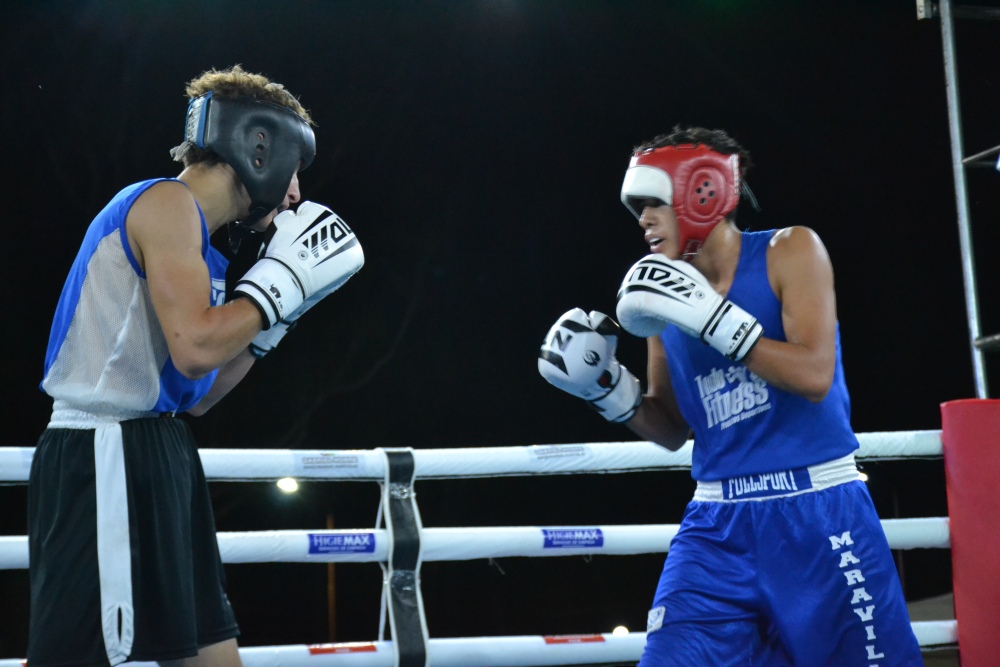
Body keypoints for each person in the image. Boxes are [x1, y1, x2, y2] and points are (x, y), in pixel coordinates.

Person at [538, 126, 923, 665]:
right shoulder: (657, 297)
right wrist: (607, 390)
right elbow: (671, 427)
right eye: (638, 207)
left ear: (704, 191)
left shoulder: (791, 250)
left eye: (654, 202)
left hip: (817, 510)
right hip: (717, 525)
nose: (643, 219)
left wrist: (715, 320)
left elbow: (815, 374)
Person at [29, 65, 364, 667]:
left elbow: (199, 391)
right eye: (295, 172)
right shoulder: (165, 205)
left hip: (160, 450)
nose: (295, 196)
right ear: (261, 146)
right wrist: (278, 287)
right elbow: (195, 345)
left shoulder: (201, 251)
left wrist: (278, 317)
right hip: (103, 454)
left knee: (210, 655)